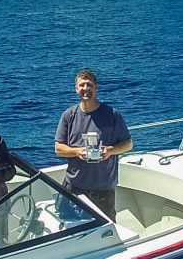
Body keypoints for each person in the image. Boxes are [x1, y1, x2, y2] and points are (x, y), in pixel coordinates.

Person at [54, 68, 132, 222]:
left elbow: (128, 144)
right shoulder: (68, 115)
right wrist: (77, 152)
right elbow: (58, 149)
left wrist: (111, 150)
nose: (85, 89)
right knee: (70, 228)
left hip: (103, 190)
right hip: (74, 187)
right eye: (82, 85)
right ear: (76, 89)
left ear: (96, 87)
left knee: (105, 230)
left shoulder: (112, 114)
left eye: (89, 85)